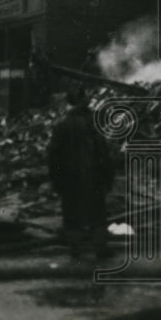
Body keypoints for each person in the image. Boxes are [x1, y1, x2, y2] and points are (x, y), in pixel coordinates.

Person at [47, 84, 115, 258]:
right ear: (83, 100)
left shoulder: (61, 126)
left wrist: (56, 180)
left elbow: (53, 156)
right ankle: (100, 248)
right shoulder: (93, 125)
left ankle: (76, 248)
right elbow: (103, 153)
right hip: (93, 176)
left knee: (72, 214)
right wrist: (108, 176)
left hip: (70, 178)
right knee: (97, 214)